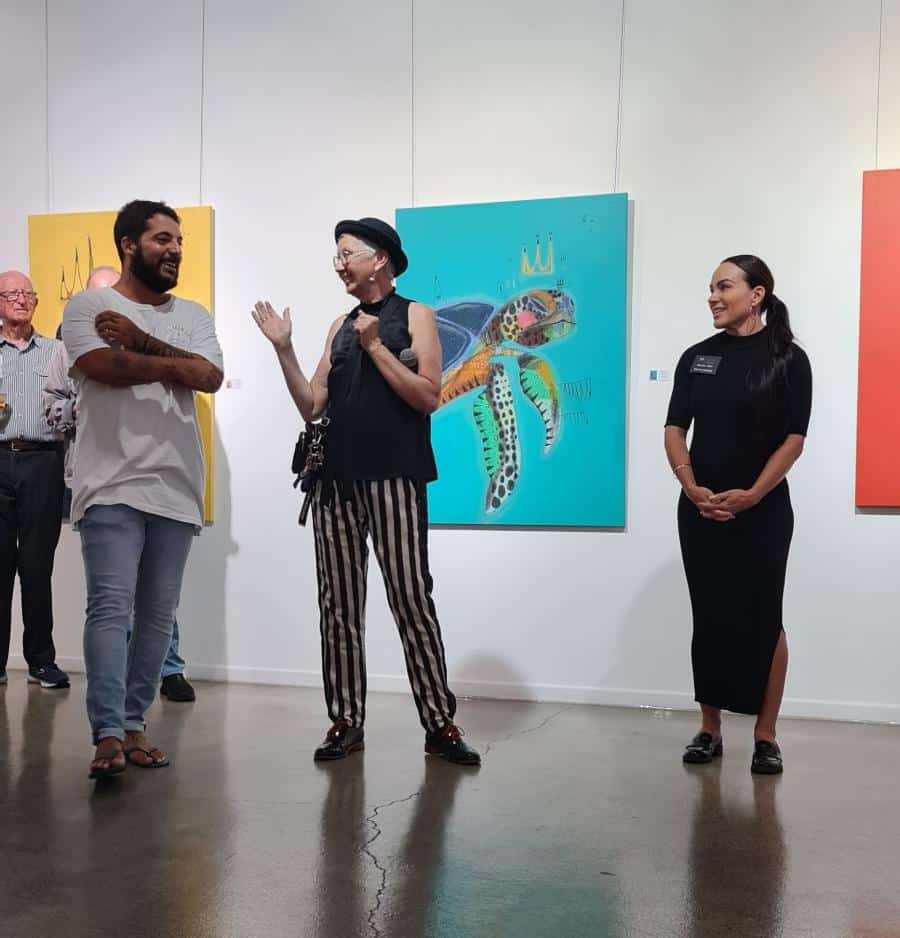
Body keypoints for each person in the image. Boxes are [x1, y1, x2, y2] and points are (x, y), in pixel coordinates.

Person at [253, 217, 480, 766]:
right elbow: (313, 404)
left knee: (410, 598)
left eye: (346, 253)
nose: (339, 265)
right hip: (335, 482)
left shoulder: (416, 316)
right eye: (337, 256)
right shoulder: (340, 325)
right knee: (338, 604)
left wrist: (376, 347)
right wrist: (284, 349)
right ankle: (345, 720)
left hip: (395, 477)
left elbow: (428, 396)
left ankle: (439, 723)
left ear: (379, 259)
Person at [62, 200, 223, 779]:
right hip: (109, 481)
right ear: (128, 244)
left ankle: (134, 727)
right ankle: (107, 734)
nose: (175, 249)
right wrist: (173, 364)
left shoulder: (193, 314)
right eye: (162, 239)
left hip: (177, 484)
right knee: (109, 608)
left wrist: (142, 344)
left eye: (179, 240)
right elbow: (102, 367)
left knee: (157, 616)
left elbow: (211, 376)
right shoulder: (88, 306)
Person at [664, 255, 812, 775]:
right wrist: (690, 486)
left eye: (724, 286)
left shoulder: (789, 359)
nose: (713, 296)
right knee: (709, 615)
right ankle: (709, 728)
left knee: (765, 618)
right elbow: (675, 429)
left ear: (757, 294)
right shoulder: (696, 358)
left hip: (764, 513)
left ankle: (765, 736)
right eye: (710, 287)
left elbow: (794, 441)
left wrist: (752, 494)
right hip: (700, 511)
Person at [44, 266, 197, 703]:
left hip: (155, 479)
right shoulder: (68, 346)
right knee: (112, 594)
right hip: (101, 480)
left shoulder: (153, 341)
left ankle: (168, 668)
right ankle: (116, 707)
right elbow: (52, 405)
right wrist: (79, 408)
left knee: (157, 593)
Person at [0, 271, 70, 690]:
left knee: (37, 566)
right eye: (12, 294)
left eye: (27, 293)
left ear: (37, 302)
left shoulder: (57, 351)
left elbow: (74, 400)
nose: (21, 300)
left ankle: (41, 661)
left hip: (43, 462)